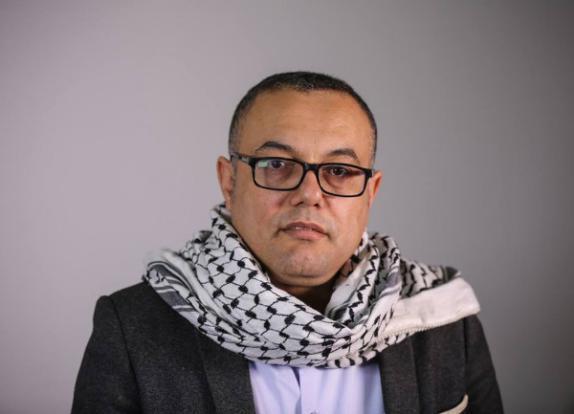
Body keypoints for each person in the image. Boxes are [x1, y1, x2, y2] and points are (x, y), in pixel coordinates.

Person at [72, 71, 503, 413]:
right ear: (229, 181)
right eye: (277, 164)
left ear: (370, 193)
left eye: (339, 171)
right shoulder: (134, 328)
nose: (309, 194)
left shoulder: (443, 319)